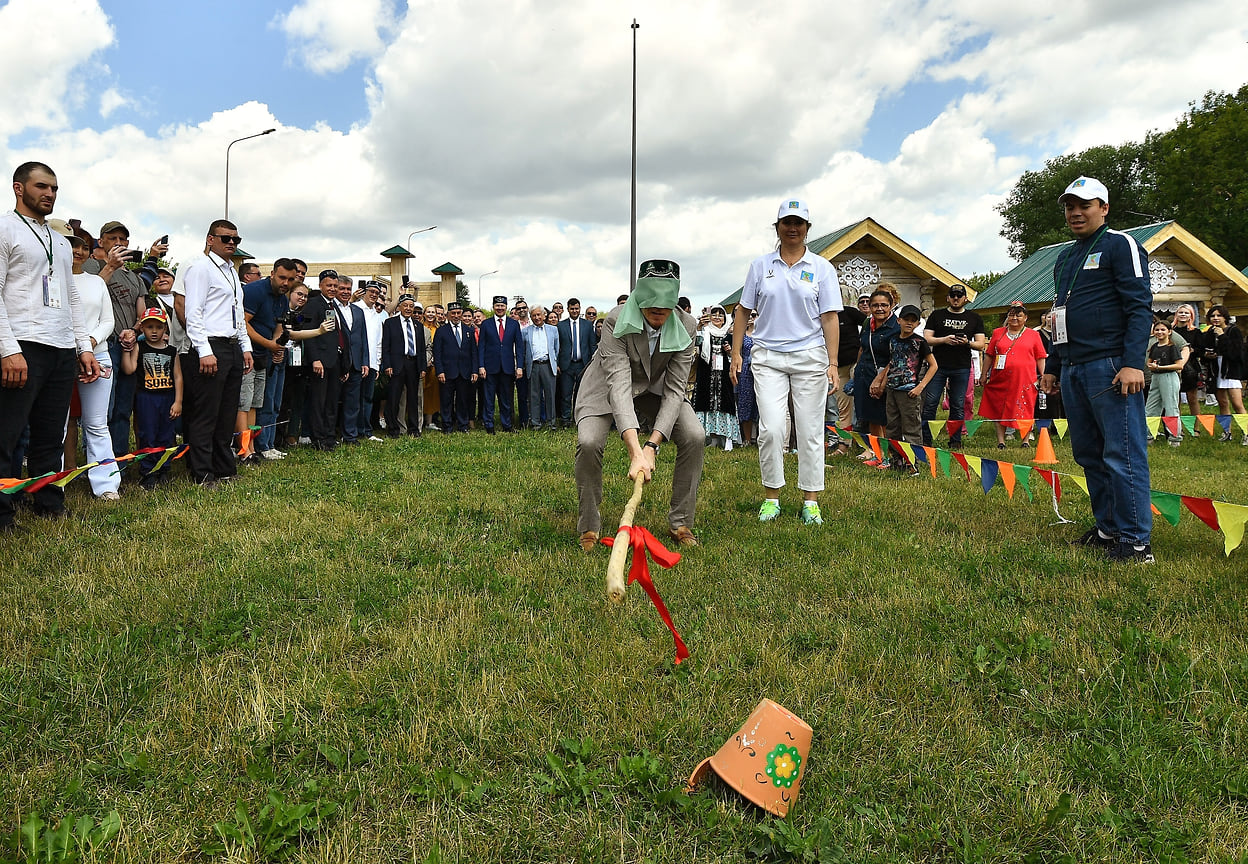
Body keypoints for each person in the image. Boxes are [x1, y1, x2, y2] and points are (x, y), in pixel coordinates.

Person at [1041, 176, 1153, 563]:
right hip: (1072, 366)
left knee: (1122, 453)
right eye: (1070, 206)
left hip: (1109, 366)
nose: (1075, 212)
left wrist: (1132, 363)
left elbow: (1140, 306)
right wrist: (1053, 366)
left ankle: (1136, 540)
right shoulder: (1065, 257)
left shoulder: (1120, 244)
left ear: (1104, 208)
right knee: (1089, 453)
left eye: (1084, 205)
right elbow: (1060, 314)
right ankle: (1108, 529)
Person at [575, 259, 703, 551]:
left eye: (665, 308)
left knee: (695, 435)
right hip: (606, 386)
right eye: (651, 308)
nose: (658, 314)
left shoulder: (687, 325)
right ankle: (589, 526)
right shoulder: (615, 320)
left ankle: (681, 521)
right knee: (589, 440)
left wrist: (652, 446)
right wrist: (635, 451)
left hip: (656, 389)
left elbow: (675, 390)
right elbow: (619, 387)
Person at [0, 162, 101, 531]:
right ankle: (2, 512)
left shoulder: (60, 241)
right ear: (18, 188)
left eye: (55, 188)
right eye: (42, 186)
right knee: (7, 435)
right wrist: (8, 350)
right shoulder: (4, 229)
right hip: (22, 345)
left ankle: (47, 501)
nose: (50, 194)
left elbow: (71, 296)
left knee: (50, 434)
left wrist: (82, 347)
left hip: (60, 349)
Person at [731, 199, 841, 526]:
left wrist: (833, 363)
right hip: (767, 356)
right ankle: (772, 497)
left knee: (809, 430)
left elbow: (830, 317)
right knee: (772, 429)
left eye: (799, 223)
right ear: (777, 226)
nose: (793, 229)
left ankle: (810, 500)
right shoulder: (759, 266)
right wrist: (737, 352)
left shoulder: (822, 268)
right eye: (786, 223)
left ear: (808, 228)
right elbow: (742, 311)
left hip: (810, 356)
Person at [83, 219, 166, 456]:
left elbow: (142, 309)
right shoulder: (91, 266)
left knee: (122, 410)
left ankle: (118, 462)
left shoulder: (134, 277)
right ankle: (96, 462)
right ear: (102, 242)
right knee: (101, 411)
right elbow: (91, 295)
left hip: (127, 346)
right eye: (112, 239)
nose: (118, 243)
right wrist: (109, 266)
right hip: (101, 345)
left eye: (122, 239)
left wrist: (136, 330)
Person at [181, 219, 253, 484]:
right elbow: (193, 312)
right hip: (211, 344)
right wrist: (203, 350)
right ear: (210, 239)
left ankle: (224, 468)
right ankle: (201, 472)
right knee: (205, 413)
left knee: (226, 412)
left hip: (232, 344)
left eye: (236, 239)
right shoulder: (200, 267)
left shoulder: (232, 272)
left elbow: (236, 314)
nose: (231, 243)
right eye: (225, 238)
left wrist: (245, 346)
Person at [65, 230, 119, 500]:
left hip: (99, 356)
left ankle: (106, 485)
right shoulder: (52, 280)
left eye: (84, 247)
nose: (79, 252)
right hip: (62, 358)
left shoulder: (96, 283)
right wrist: (76, 347)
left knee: (97, 424)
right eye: (74, 246)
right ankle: (54, 482)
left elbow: (108, 321)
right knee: (58, 424)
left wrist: (90, 340)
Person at [242, 258, 299, 461]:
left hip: (264, 357)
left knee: (259, 404)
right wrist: (270, 345)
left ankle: (259, 446)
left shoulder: (283, 299)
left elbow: (278, 327)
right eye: (282, 277)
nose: (286, 283)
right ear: (272, 273)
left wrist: (277, 346)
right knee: (244, 405)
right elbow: (243, 324)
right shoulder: (254, 291)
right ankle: (244, 449)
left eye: (290, 279)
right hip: (246, 355)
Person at [121, 307, 182, 488]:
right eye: (149, 327)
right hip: (146, 398)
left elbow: (178, 376)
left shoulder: (172, 351)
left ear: (165, 329)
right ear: (142, 328)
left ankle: (163, 467)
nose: (154, 331)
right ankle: (148, 471)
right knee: (147, 434)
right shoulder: (140, 347)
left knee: (166, 434)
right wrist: (126, 349)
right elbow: (129, 369)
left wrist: (178, 401)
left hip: (167, 397)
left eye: (158, 327)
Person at [921, 283, 985, 449]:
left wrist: (966, 343)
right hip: (938, 366)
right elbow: (926, 338)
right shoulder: (936, 315)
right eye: (953, 295)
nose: (956, 298)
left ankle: (955, 440)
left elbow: (980, 344)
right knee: (931, 402)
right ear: (948, 298)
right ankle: (925, 439)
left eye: (959, 296)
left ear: (965, 298)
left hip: (962, 366)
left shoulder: (974, 318)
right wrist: (944, 340)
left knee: (958, 404)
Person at [979, 301, 1046, 449]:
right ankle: (1001, 441)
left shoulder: (1033, 335)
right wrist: (984, 374)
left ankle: (1025, 440)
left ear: (1025, 317)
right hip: (1000, 378)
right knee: (999, 408)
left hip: (1025, 379)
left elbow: (1040, 357)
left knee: (1026, 407)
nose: (1014, 317)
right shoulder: (998, 333)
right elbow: (989, 355)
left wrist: (1044, 376)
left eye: (1018, 315)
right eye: (1011, 314)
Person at [882, 305, 937, 473]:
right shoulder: (892, 340)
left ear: (918, 323)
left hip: (910, 391)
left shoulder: (920, 342)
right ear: (899, 320)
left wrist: (920, 386)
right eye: (906, 319)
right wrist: (883, 383)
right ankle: (896, 460)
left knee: (911, 427)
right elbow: (891, 363)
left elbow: (934, 366)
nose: (909, 323)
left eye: (913, 321)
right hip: (892, 389)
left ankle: (913, 463)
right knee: (892, 427)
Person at [851, 287, 899, 464]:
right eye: (875, 305)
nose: (879, 309)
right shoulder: (867, 324)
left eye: (884, 305)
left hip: (885, 375)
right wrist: (856, 372)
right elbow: (862, 348)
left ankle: (889, 456)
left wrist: (880, 380)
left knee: (884, 417)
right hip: (864, 373)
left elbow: (896, 357)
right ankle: (875, 451)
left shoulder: (896, 327)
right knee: (870, 415)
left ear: (891, 305)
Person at [693, 304, 739, 449]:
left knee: (725, 401)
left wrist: (729, 351)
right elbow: (697, 343)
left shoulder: (729, 334)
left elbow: (735, 356)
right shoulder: (705, 332)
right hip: (706, 371)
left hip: (724, 373)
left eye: (720, 315)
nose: (717, 317)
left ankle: (724, 437)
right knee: (705, 400)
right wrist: (699, 327)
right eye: (714, 314)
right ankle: (709, 436)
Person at [381, 293, 426, 437]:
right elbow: (385, 346)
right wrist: (387, 365)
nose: (408, 308)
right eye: (405, 305)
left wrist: (423, 367)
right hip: (396, 365)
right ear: (399, 306)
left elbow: (421, 349)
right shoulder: (390, 323)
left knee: (413, 399)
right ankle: (393, 429)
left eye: (411, 306)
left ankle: (414, 429)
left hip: (413, 364)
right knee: (394, 398)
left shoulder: (418, 325)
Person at [477, 294, 523, 433]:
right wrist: (481, 366)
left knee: (506, 399)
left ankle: (507, 425)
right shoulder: (486, 324)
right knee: (488, 398)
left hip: (507, 367)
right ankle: (489, 425)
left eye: (502, 306)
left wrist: (519, 366)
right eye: (497, 306)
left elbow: (519, 347)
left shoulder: (514, 324)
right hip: (490, 367)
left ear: (506, 307)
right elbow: (481, 347)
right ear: (493, 307)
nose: (500, 308)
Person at [433, 302, 478, 433]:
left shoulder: (469, 330)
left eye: (459, 313)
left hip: (464, 372)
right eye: (453, 313)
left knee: (463, 400)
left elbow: (473, 353)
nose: (456, 316)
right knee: (446, 401)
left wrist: (474, 370)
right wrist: (439, 370)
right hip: (447, 372)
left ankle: (463, 425)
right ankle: (447, 425)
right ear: (448, 315)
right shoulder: (441, 331)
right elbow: (437, 353)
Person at [1202, 304, 1246, 438]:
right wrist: (1207, 355)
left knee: (1237, 404)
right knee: (1222, 402)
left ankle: (1247, 432)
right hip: (1217, 370)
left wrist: (1222, 337)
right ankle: (1227, 432)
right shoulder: (1210, 332)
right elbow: (1207, 349)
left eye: (1218, 315)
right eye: (1212, 316)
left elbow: (1236, 353)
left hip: (1231, 370)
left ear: (1225, 317)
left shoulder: (1233, 331)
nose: (1215, 318)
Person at [1145, 318, 1188, 447]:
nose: (1159, 332)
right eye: (1157, 329)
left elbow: (1179, 366)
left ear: (1169, 332)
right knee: (1150, 408)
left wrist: (1160, 368)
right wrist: (1152, 366)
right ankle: (1148, 435)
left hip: (1169, 377)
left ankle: (1175, 438)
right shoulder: (1154, 346)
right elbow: (1150, 361)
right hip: (1156, 378)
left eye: (1163, 329)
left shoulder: (1172, 347)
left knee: (1171, 407)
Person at [558, 297, 595, 427]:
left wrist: (591, 364)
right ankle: (566, 420)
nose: (574, 311)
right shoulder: (560, 325)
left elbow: (592, 345)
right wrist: (557, 363)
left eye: (577, 308)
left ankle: (579, 419)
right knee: (566, 394)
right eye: (572, 308)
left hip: (583, 364)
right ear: (568, 309)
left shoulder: (588, 325)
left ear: (580, 309)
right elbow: (558, 346)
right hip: (566, 365)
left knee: (581, 394)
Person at [522, 303, 560, 430]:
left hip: (548, 365)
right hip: (533, 366)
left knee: (550, 395)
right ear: (530, 317)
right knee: (534, 396)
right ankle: (535, 423)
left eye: (539, 314)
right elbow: (523, 350)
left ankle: (551, 423)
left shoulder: (553, 330)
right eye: (533, 315)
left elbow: (556, 348)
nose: (536, 317)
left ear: (544, 315)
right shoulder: (525, 331)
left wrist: (553, 361)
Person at [1169, 305, 1204, 416]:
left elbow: (1201, 350)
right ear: (1176, 315)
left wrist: (1190, 351)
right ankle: (1178, 429)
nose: (1183, 315)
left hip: (1190, 368)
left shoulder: (1196, 332)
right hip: (1173, 366)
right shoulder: (1171, 331)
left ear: (1191, 316)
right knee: (1175, 400)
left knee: (1192, 399)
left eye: (1186, 313)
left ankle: (1196, 428)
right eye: (1181, 312)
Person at [736, 310, 758, 446]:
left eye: (754, 315)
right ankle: (747, 439)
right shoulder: (741, 335)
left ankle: (760, 438)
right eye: (749, 315)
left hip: (762, 368)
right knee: (746, 403)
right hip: (745, 371)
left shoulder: (763, 333)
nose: (750, 317)